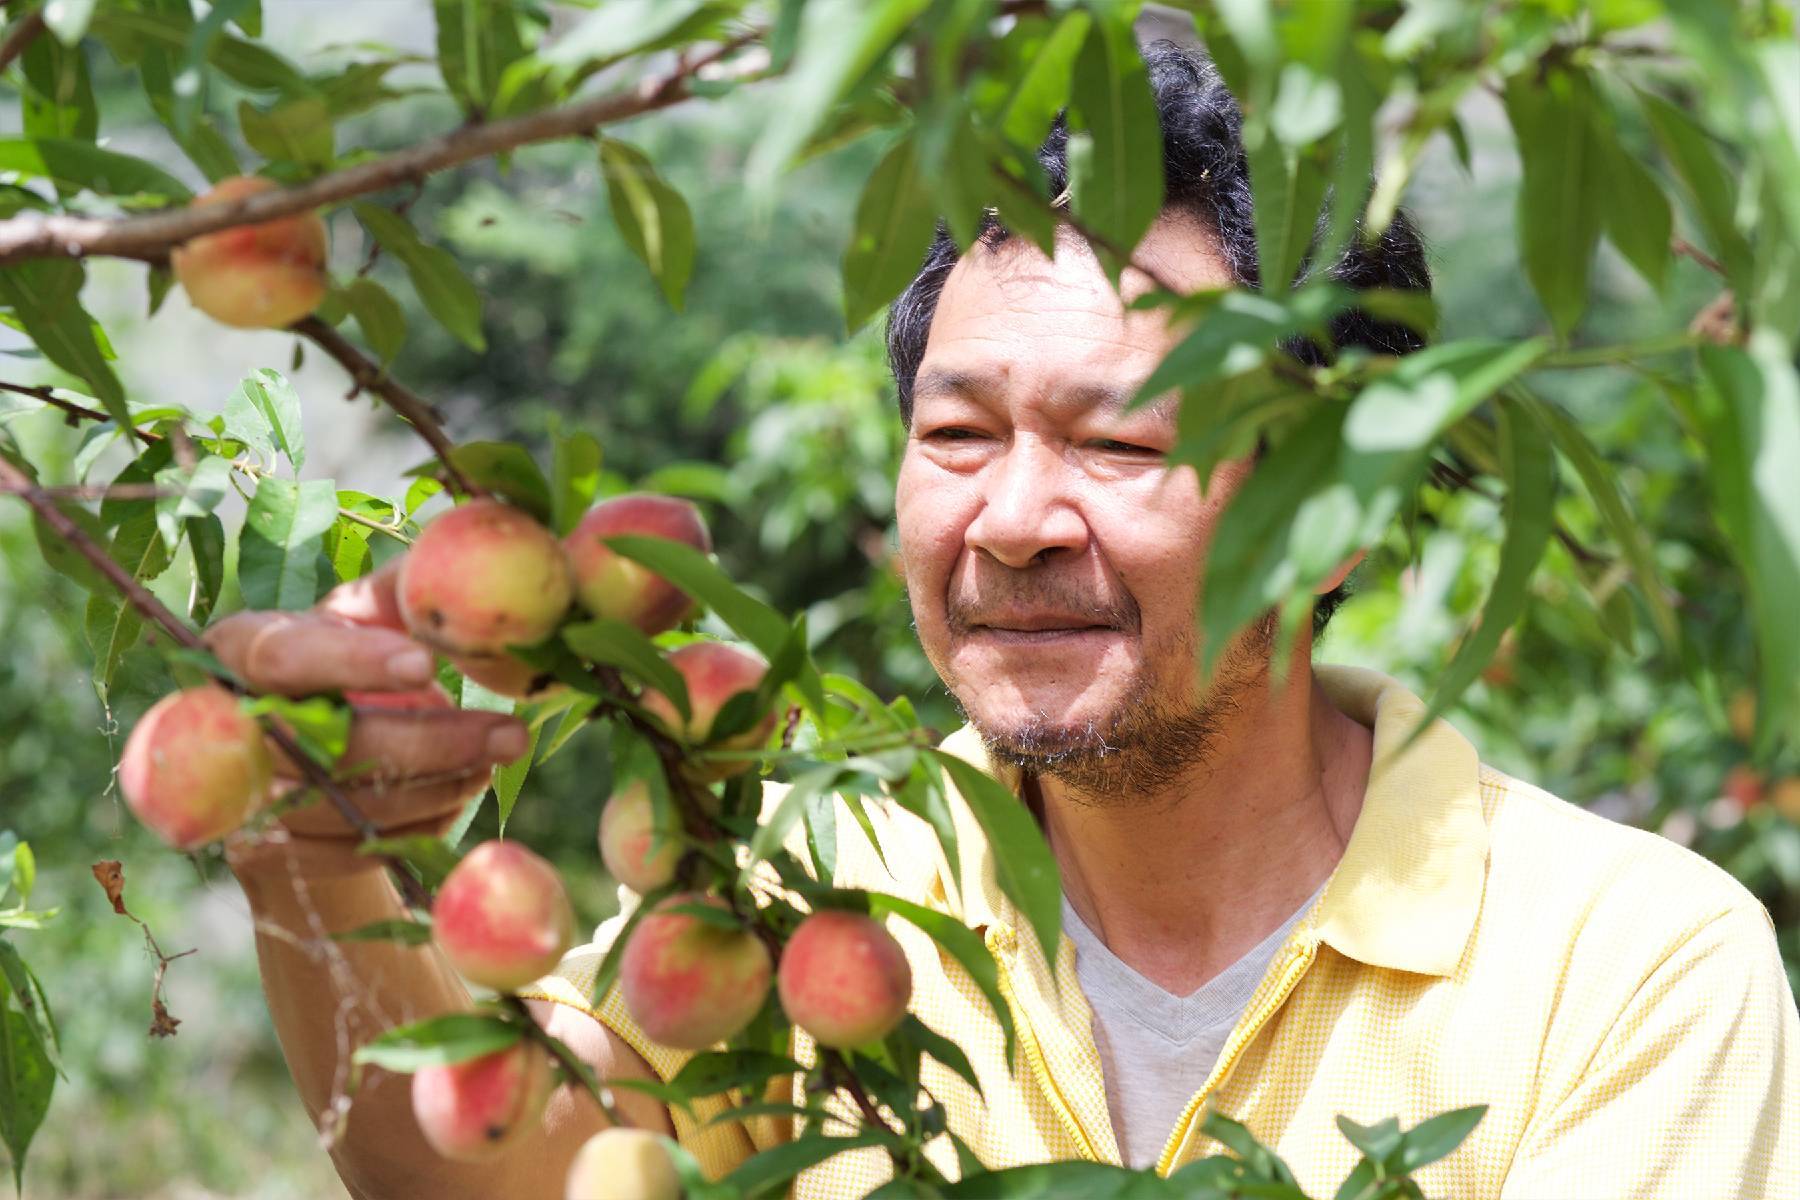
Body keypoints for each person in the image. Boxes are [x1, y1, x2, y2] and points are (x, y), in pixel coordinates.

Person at [211, 41, 1798, 1199]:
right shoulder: (816, 891)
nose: (1017, 519)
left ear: (1337, 513)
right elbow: (497, 1172)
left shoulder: (1627, 970)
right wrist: (312, 845)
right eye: (958, 437)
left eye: (1123, 442)